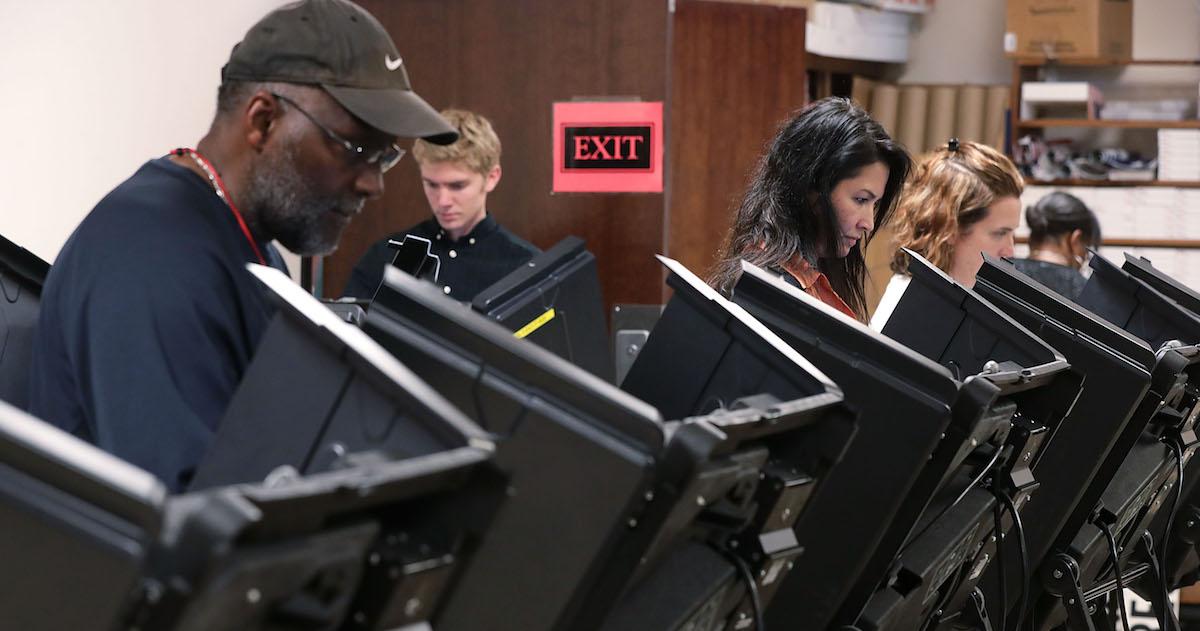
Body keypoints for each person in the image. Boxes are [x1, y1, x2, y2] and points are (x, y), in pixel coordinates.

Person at [27, 0, 457, 492]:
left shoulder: (250, 244)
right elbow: (192, 520)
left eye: (385, 157)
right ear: (263, 121)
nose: (372, 185)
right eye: (356, 150)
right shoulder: (151, 262)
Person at [708, 97, 911, 322]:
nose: (868, 223)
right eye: (861, 199)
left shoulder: (802, 278)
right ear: (812, 185)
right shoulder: (770, 291)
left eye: (875, 204)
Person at [342, 109, 539, 301]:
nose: (443, 201)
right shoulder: (385, 256)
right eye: (432, 184)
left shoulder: (524, 268)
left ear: (491, 178)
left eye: (457, 186)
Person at [870, 139, 1024, 329]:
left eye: (1012, 234)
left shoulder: (967, 300)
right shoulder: (907, 316)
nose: (1010, 251)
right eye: (999, 233)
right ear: (949, 228)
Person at [1012, 191, 1101, 299]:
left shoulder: (1001, 271)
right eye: (1085, 248)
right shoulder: (1086, 292)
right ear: (1075, 240)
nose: (1085, 256)